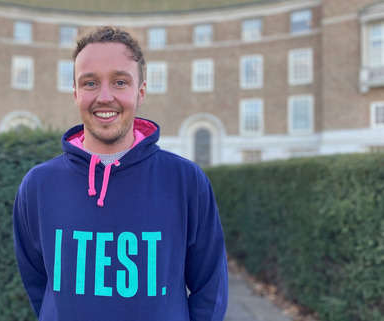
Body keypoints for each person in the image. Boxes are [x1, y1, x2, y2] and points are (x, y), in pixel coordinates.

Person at [13, 26, 228, 321]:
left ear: (140, 92)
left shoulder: (186, 181)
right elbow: (38, 282)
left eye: (119, 82)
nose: (104, 96)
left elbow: (210, 288)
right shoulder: (39, 185)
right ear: (75, 94)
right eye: (89, 83)